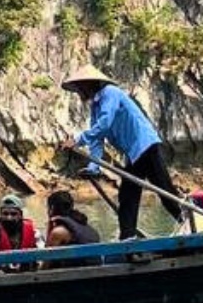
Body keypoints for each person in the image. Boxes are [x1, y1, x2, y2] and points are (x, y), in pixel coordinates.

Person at [64, 65, 178, 241]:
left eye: (80, 87)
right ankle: (127, 238)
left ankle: (189, 222)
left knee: (164, 190)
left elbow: (105, 124)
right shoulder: (95, 107)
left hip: (145, 145)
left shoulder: (110, 93)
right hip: (133, 153)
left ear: (89, 84)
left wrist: (78, 140)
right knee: (127, 195)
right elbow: (97, 139)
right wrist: (93, 167)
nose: (79, 92)